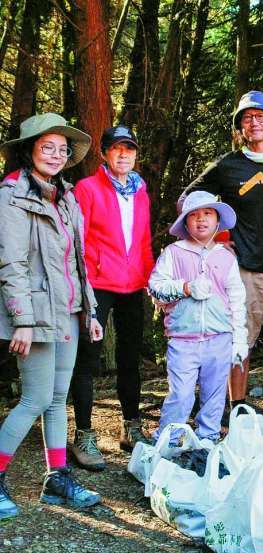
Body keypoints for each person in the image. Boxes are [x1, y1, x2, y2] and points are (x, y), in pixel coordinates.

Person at [182, 90, 263, 412]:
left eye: (260, 117)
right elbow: (190, 200)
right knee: (239, 344)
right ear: (239, 127)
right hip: (243, 270)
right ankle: (239, 409)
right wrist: (215, 239)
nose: (254, 123)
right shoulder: (228, 166)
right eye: (246, 118)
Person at [0, 113, 104, 519]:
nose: (57, 155)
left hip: (69, 312)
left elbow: (77, 262)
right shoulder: (11, 195)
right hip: (35, 315)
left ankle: (56, 479)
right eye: (48, 147)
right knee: (36, 398)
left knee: (58, 399)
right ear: (29, 150)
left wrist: (89, 310)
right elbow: (11, 263)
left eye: (63, 149)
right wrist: (21, 319)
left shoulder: (67, 195)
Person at [68, 125, 154, 471]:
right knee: (87, 358)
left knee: (130, 357)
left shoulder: (141, 191)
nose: (123, 155)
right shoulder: (87, 189)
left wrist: (149, 279)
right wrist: (83, 286)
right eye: (116, 149)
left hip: (134, 286)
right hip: (98, 284)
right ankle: (84, 433)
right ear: (103, 153)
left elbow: (144, 240)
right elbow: (77, 240)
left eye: (129, 149)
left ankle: (131, 426)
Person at [148, 191, 248, 443]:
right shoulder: (174, 252)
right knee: (181, 394)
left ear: (217, 221)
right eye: (194, 215)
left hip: (219, 337)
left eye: (207, 214)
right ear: (185, 222)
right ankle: (167, 441)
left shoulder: (226, 257)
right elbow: (155, 286)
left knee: (214, 395)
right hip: (184, 339)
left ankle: (207, 440)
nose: (201, 220)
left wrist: (240, 340)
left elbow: (237, 299)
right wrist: (185, 287)